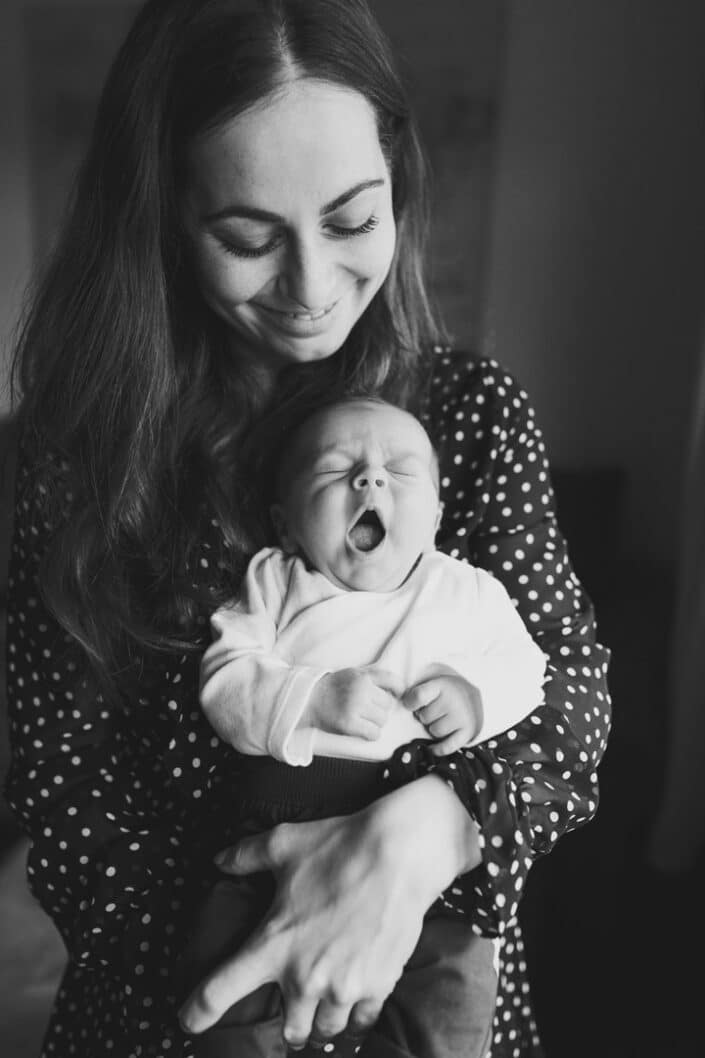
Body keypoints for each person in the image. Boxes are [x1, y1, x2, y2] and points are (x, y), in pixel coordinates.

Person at [3, 1, 611, 1056]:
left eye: (351, 220)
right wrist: (279, 941)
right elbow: (69, 811)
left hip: (435, 947)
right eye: (246, 237)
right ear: (160, 215)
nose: (314, 289)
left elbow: (567, 696)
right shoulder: (73, 463)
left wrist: (427, 833)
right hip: (175, 1006)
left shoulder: (467, 419)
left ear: (399, 186)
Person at [184, 396, 548, 1057]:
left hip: (424, 849)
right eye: (334, 471)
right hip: (275, 822)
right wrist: (312, 697)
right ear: (286, 524)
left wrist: (473, 699)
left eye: (400, 471)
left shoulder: (467, 592)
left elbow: (529, 672)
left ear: (435, 518)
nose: (370, 479)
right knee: (226, 991)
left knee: (453, 992)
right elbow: (226, 681)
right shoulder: (275, 581)